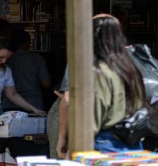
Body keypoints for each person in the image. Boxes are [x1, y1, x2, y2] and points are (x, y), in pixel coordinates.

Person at [56, 14, 146, 156]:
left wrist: (70, 148)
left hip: (104, 145)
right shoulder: (131, 69)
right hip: (133, 145)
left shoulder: (96, 71)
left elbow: (91, 121)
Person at [0, 38, 45, 117]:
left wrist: (34, 109)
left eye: (7, 58)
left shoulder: (6, 70)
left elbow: (12, 94)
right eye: (1, 57)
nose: (4, 61)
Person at [2, 30, 51, 111]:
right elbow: (46, 83)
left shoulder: (6, 59)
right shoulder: (37, 59)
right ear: (28, 43)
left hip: (9, 103)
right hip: (34, 103)